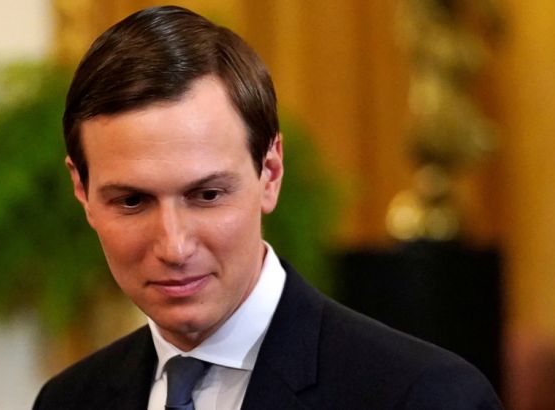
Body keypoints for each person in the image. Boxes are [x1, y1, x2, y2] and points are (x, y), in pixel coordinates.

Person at [33, 5, 502, 410]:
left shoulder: (424, 396)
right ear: (83, 191)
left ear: (270, 174)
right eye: (132, 201)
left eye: (207, 195)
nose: (174, 247)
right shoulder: (69, 401)